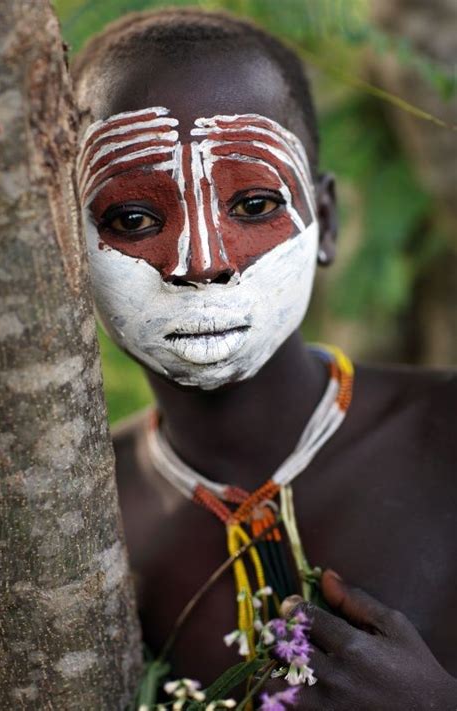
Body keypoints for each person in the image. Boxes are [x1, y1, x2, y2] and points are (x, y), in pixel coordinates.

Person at [72, 8, 457, 708]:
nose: (203, 263)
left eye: (252, 203)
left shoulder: (446, 436)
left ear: (328, 221)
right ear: (72, 256)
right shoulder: (80, 514)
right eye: (133, 219)